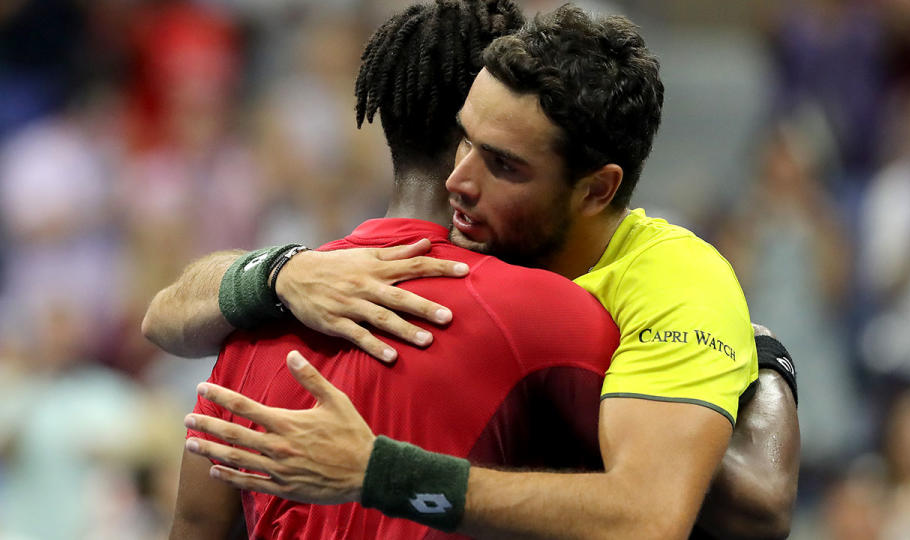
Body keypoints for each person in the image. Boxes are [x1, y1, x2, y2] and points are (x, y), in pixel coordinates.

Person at [152, 2, 799, 538]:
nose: (458, 182)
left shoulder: (655, 286)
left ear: (597, 190)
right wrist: (278, 276)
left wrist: (765, 358)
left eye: (505, 164)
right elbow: (163, 316)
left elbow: (717, 506)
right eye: (465, 140)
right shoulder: (328, 282)